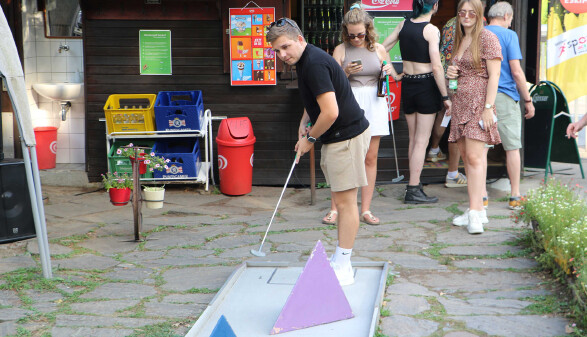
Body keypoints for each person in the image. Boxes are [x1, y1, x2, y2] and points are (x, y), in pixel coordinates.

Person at [266, 18, 371, 286]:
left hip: (345, 137)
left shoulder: (312, 64)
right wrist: (305, 121)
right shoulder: (306, 59)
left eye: (285, 47)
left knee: (346, 204)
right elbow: (318, 99)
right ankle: (339, 258)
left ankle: (344, 266)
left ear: (300, 39)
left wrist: (310, 139)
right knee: (340, 199)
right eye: (277, 51)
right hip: (338, 136)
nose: (282, 55)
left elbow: (331, 111)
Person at [320, 3, 395, 226]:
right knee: (342, 157)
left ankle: (366, 209)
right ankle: (335, 209)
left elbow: (394, 76)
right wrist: (344, 72)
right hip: (349, 100)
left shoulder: (379, 48)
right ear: (346, 32)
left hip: (375, 101)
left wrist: (390, 71)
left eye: (360, 35)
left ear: (368, 30)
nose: (356, 39)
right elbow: (329, 83)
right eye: (351, 35)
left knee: (370, 158)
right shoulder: (341, 49)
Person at [382, 0, 451, 204]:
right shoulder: (431, 30)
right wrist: (446, 96)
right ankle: (413, 189)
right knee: (422, 141)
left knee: (414, 139)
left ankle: (414, 183)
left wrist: (394, 74)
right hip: (426, 85)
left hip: (408, 84)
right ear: (435, 6)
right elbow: (437, 67)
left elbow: (382, 48)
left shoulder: (404, 24)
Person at [446, 0, 502, 234]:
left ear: (479, 15)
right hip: (460, 104)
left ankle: (476, 213)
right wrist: (451, 72)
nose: (466, 16)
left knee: (476, 158)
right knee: (467, 160)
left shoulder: (487, 38)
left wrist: (488, 107)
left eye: (471, 12)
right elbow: (458, 74)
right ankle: (476, 210)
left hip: (479, 104)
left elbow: (495, 75)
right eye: (462, 12)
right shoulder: (461, 39)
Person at [486, 1, 536, 210]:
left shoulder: (478, 34)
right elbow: (516, 71)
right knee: (512, 147)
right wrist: (528, 100)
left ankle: (481, 197)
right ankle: (515, 196)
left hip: (482, 98)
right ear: (506, 16)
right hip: (505, 96)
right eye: (511, 19)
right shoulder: (509, 36)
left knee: (480, 148)